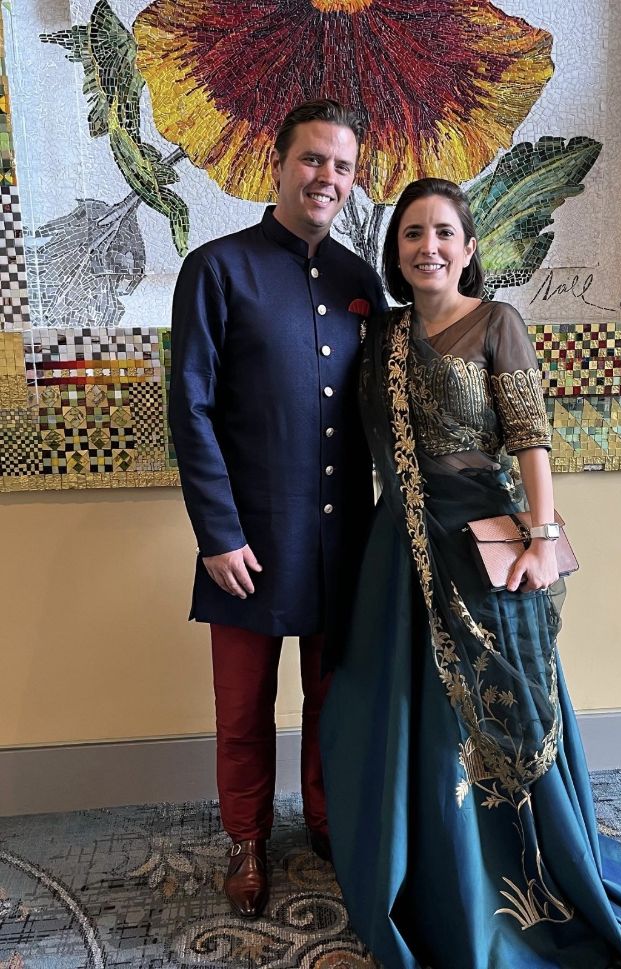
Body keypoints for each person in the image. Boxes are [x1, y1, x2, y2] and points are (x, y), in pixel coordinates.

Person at [320, 179, 621, 969]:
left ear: (469, 247)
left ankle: (511, 880)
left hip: (478, 547)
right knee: (398, 709)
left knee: (492, 711)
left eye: (444, 232)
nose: (428, 247)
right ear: (396, 250)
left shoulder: (497, 322)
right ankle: (419, 866)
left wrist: (541, 537)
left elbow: (530, 436)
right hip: (395, 551)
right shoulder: (384, 335)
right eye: (412, 233)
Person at [168, 99, 386, 920]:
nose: (327, 176)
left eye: (342, 166)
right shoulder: (216, 268)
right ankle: (247, 838)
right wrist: (217, 534)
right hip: (247, 543)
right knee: (242, 709)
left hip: (343, 538)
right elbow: (190, 409)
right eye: (313, 159)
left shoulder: (361, 281)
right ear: (280, 163)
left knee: (335, 699)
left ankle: (327, 823)